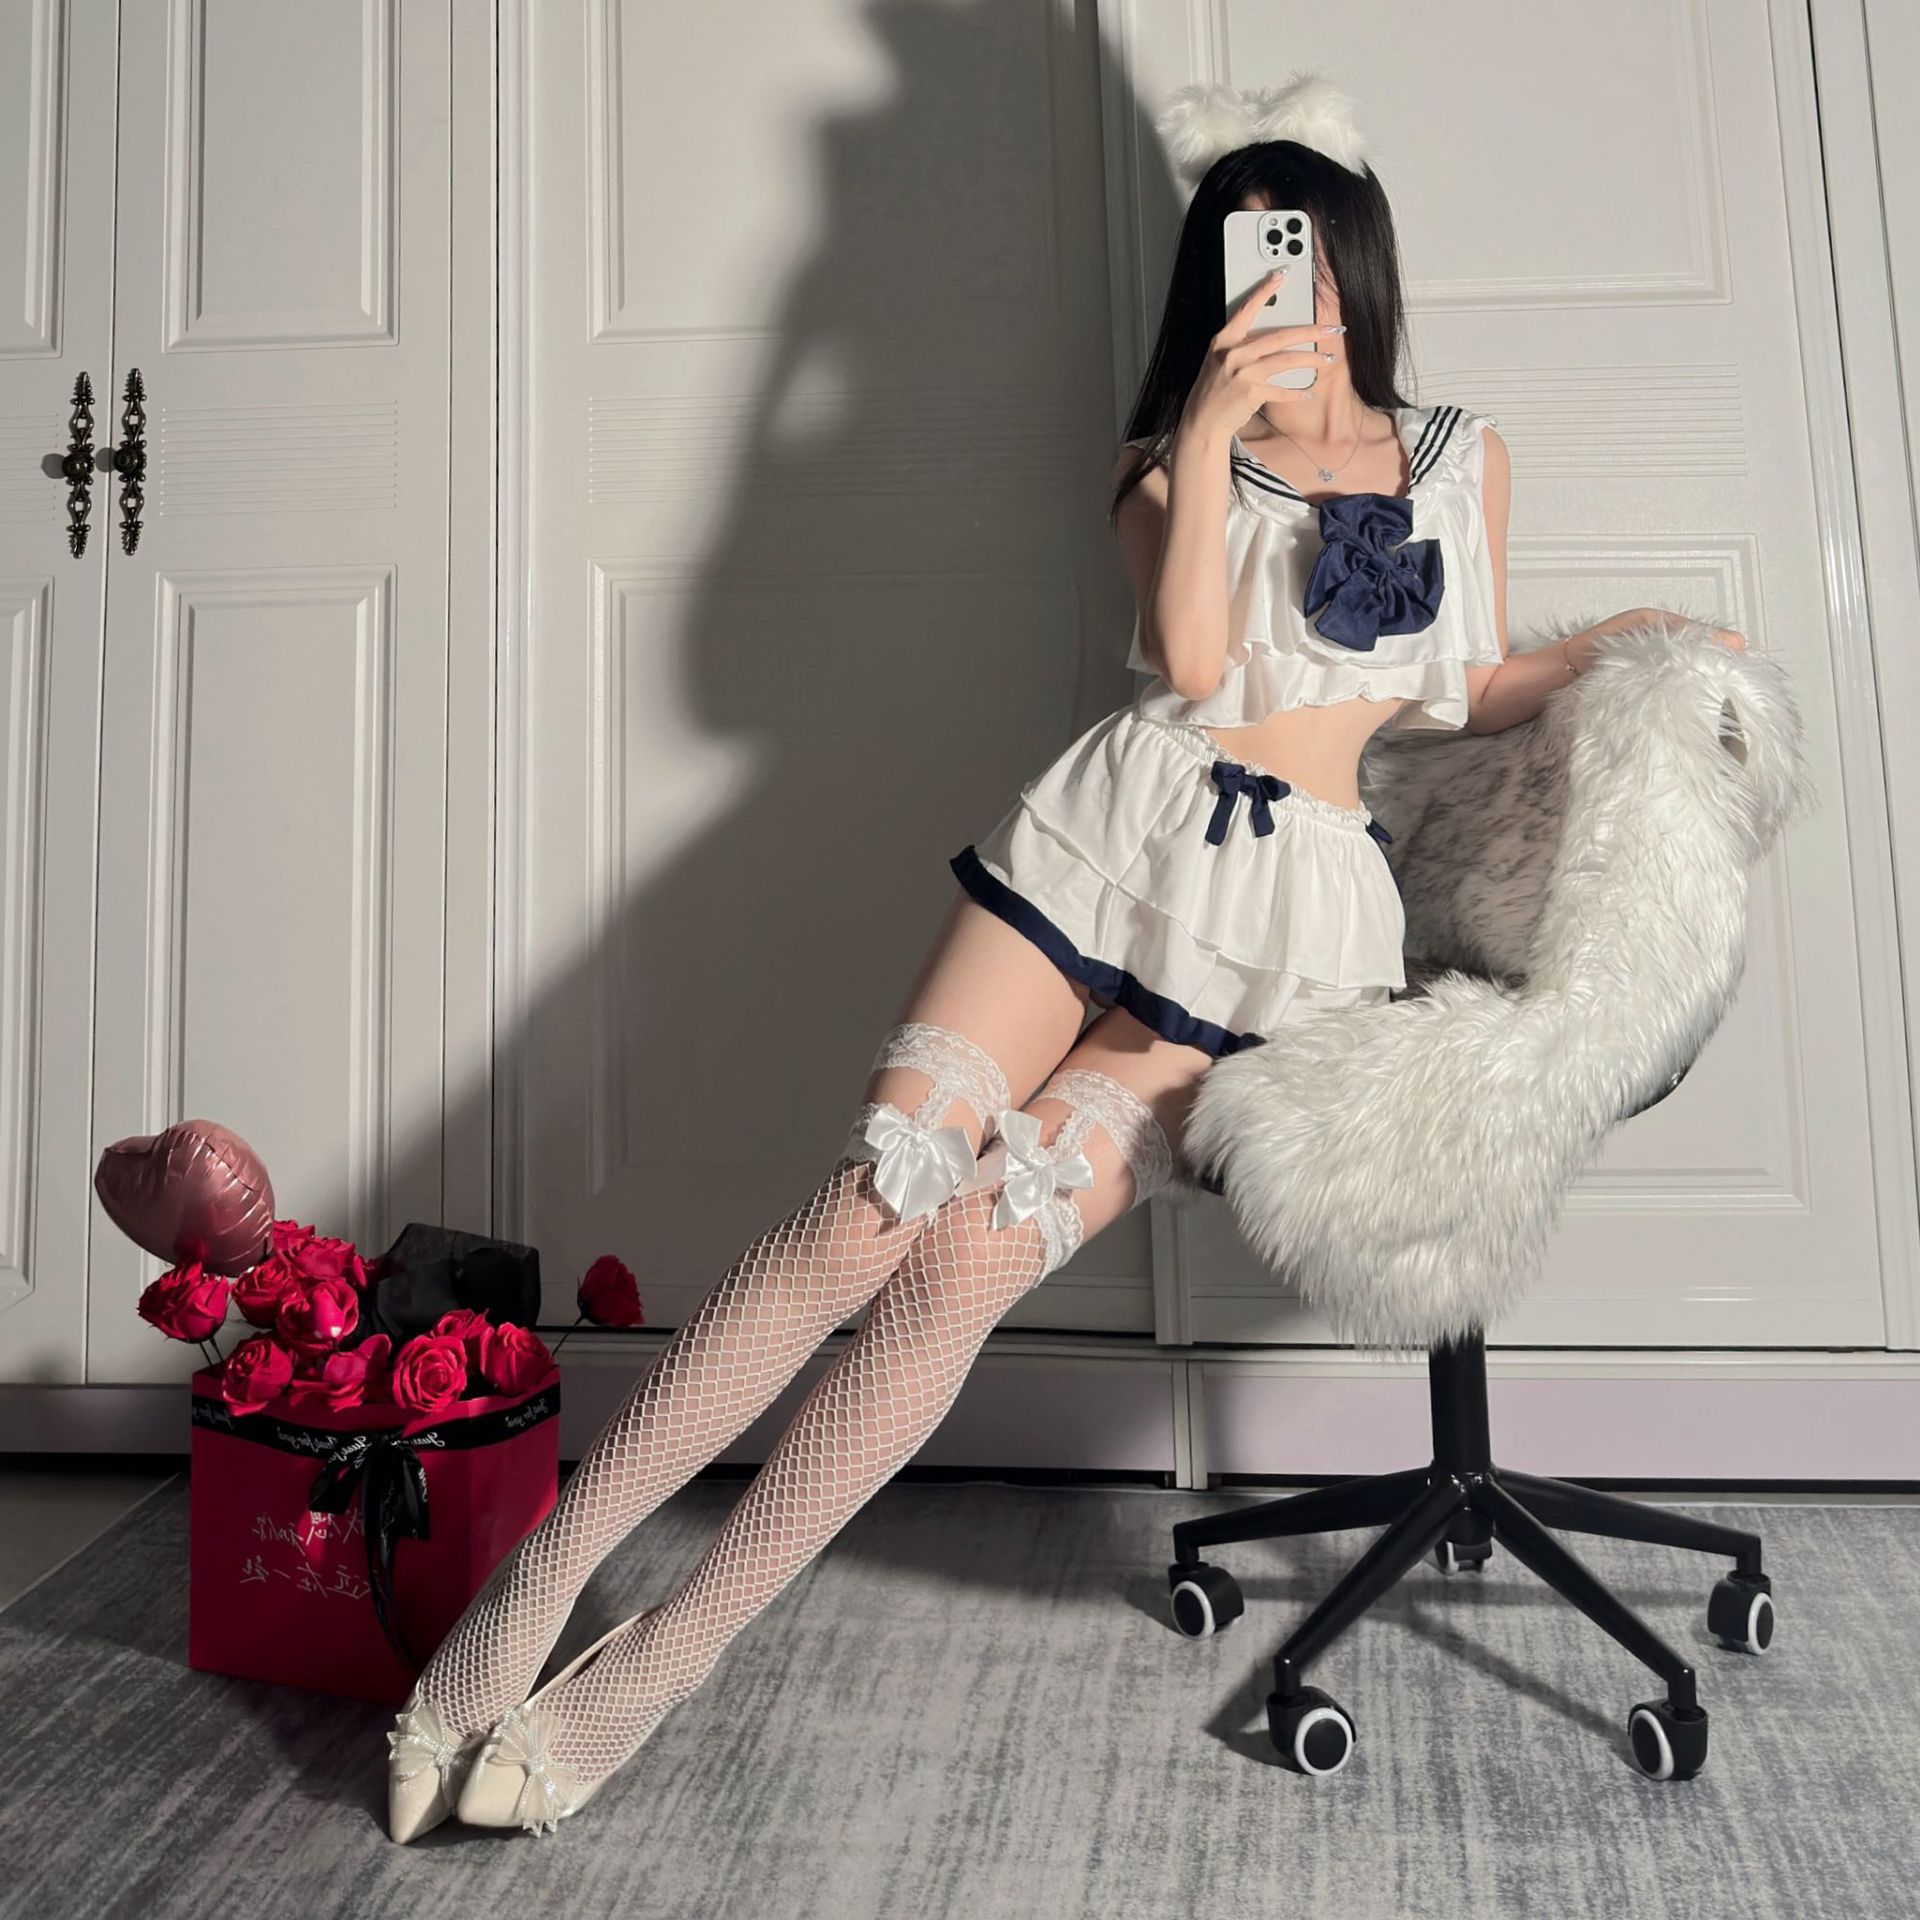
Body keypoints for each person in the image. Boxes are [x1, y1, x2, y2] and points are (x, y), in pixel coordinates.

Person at [384, 71, 1747, 1841]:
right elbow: (1194, 661)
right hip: (1110, 842)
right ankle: (527, 1601)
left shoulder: (1458, 455)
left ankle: (661, 1661)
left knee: (962, 1268)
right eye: (1250, 258)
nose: (1284, 287)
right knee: (864, 1212)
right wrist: (1209, 432)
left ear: (1356, 260)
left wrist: (1628, 647)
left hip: (1285, 925)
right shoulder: (1162, 459)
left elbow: (1460, 684)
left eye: (1305, 253)